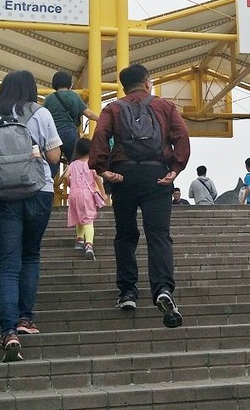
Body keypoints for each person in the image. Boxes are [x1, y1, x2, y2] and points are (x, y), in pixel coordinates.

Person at [0, 70, 62, 362]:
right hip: (39, 192)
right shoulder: (41, 113)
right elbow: (55, 156)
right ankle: (25, 319)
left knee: (7, 264)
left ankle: (8, 331)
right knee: (30, 255)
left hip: (2, 196)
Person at [88, 63, 190, 328]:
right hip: (157, 175)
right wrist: (175, 169)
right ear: (147, 82)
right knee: (159, 235)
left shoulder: (113, 108)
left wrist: (103, 169)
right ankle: (163, 289)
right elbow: (181, 136)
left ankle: (128, 292)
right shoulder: (165, 106)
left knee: (125, 235)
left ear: (124, 87)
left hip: (124, 176)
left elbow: (100, 135)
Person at [43, 70, 99, 177]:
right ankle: (79, 185)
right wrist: (100, 119)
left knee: (51, 167)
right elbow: (89, 114)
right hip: (70, 134)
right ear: (69, 83)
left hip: (53, 135)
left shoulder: (48, 99)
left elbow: (42, 116)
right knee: (76, 165)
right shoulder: (73, 96)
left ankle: (49, 184)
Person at [60, 137, 106, 259]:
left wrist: (70, 184)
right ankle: (89, 244)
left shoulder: (73, 164)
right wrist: (103, 193)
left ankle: (79, 239)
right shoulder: (91, 163)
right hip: (87, 194)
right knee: (88, 219)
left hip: (74, 194)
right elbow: (97, 177)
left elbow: (65, 176)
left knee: (78, 216)